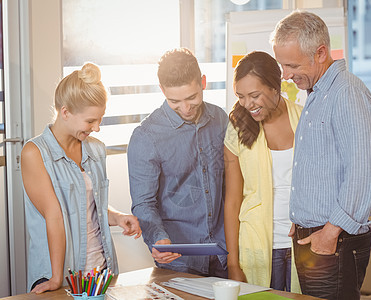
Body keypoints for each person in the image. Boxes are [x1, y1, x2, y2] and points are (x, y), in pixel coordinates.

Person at [271, 11, 371, 300]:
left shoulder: (346, 94)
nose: (286, 75)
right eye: (282, 65)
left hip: (335, 238)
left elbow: (362, 172)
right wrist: (302, 215)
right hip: (315, 235)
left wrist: (330, 232)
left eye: (292, 65)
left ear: (321, 53)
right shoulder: (318, 93)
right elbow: (320, 166)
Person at [21, 62, 142, 293]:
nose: (96, 128)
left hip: (101, 271)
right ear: (65, 112)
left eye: (100, 119)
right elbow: (55, 216)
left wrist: (117, 218)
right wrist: (57, 278)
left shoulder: (95, 149)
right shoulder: (35, 153)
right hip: (63, 273)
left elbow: (89, 207)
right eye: (90, 121)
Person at [127, 48, 228, 277]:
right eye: (175, 101)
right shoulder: (146, 137)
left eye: (192, 97)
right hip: (179, 260)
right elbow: (143, 203)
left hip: (223, 254)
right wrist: (157, 238)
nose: (185, 108)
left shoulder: (220, 119)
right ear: (162, 90)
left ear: (203, 82)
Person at [224, 51, 302, 292]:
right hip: (255, 248)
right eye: (241, 97)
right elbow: (233, 200)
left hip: (301, 245)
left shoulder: (304, 119)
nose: (247, 104)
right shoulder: (236, 128)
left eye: (254, 95)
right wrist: (232, 262)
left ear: (275, 87)